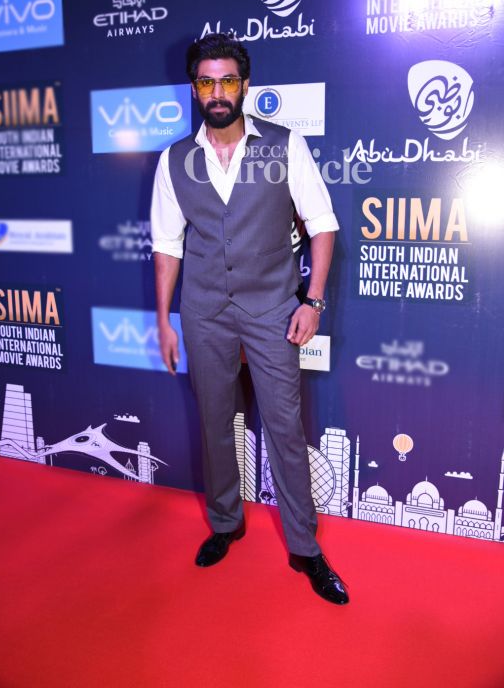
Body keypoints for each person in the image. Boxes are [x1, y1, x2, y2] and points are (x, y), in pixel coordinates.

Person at [151, 33, 348, 605]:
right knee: (215, 423)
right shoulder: (175, 160)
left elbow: (322, 224)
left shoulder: (285, 145)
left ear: (244, 86)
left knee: (285, 428)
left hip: (273, 310)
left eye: (228, 81)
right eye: (206, 82)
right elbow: (167, 244)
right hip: (204, 311)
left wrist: (313, 301)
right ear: (194, 89)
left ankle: (305, 547)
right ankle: (225, 522)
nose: (217, 92)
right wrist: (163, 320)